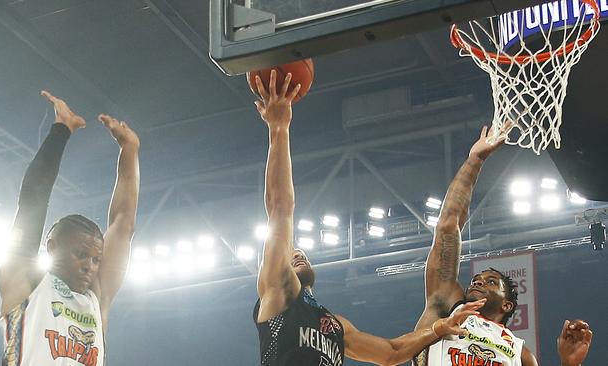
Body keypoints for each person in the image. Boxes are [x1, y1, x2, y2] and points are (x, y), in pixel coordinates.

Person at [253, 70, 486, 366]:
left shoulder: (334, 326)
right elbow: (280, 207)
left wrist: (440, 328)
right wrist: (279, 129)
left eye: (302, 254)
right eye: (292, 254)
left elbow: (391, 353)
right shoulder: (279, 292)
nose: (299, 254)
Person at [413, 126, 593, 366]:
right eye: (477, 279)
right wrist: (475, 160)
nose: (477, 282)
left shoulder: (521, 355)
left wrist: (570, 365)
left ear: (507, 305)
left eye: (490, 282)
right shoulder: (446, 306)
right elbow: (448, 225)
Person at [0, 91, 140, 366]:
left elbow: (123, 223)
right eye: (81, 254)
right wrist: (61, 129)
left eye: (96, 259)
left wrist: (130, 150)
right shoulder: (25, 283)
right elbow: (32, 200)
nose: (90, 265)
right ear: (51, 247)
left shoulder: (96, 298)